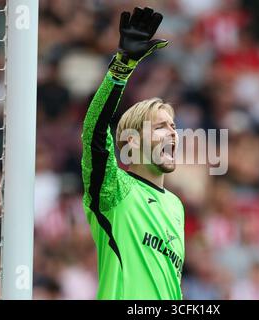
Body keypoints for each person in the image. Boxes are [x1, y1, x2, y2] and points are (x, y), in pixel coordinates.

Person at [81, 7, 185, 300]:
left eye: (174, 126)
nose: (173, 132)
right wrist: (121, 68)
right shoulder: (114, 188)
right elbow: (94, 133)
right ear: (132, 142)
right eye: (161, 127)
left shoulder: (176, 206)